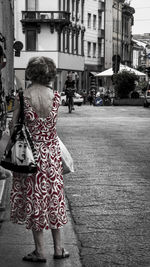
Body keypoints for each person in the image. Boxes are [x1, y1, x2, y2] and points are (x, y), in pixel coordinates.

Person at [9, 56, 69, 262]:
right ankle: (59, 249)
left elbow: (14, 127)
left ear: (30, 73)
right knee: (54, 199)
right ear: (50, 74)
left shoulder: (22, 96)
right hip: (52, 155)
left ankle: (40, 251)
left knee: (36, 200)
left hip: (31, 156)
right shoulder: (56, 96)